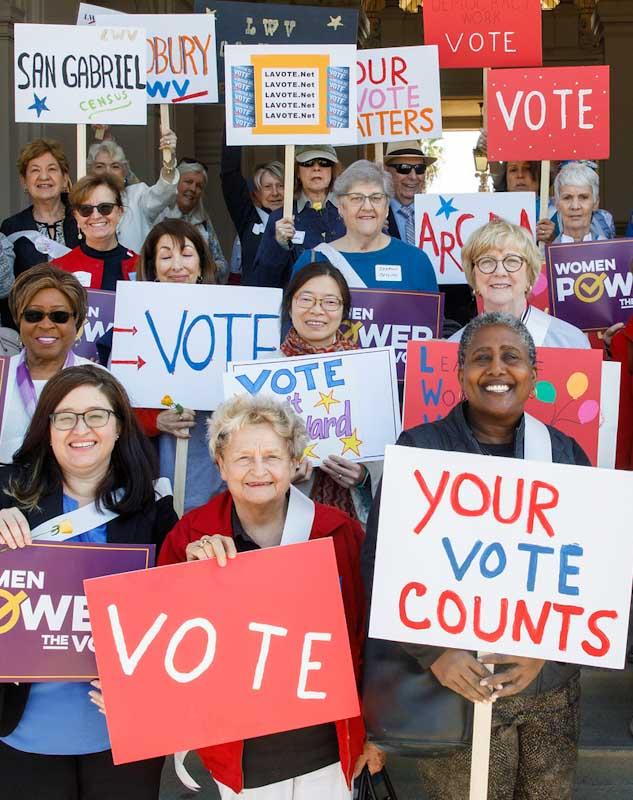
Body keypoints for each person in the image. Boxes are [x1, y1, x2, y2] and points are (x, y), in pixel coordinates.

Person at [362, 312, 591, 800]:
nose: (497, 369)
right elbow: (381, 564)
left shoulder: (566, 455)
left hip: (547, 688)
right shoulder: (420, 450)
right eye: (481, 357)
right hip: (454, 689)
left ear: (535, 371)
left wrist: (548, 651)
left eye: (512, 357)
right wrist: (435, 654)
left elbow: (593, 571)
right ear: (460, 371)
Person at [158, 394, 382, 798]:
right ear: (221, 465)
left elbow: (368, 637)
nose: (258, 470)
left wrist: (376, 731)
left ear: (295, 463)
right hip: (241, 750)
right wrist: (189, 580)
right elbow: (164, 642)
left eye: (272, 457)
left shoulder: (339, 532)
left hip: (327, 745)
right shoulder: (189, 537)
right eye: (242, 458)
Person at [0, 364, 177, 800]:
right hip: (21, 733)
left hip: (124, 736)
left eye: (96, 415)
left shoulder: (155, 509)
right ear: (48, 427)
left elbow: (185, 613)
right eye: (65, 416)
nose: (82, 428)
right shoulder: (6, 493)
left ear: (119, 427)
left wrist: (206, 548)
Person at [135, 218, 224, 512]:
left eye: (186, 254)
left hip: (211, 451)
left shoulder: (230, 313)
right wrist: (154, 420)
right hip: (157, 455)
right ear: (152, 267)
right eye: (165, 256)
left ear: (201, 264)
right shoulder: (132, 319)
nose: (177, 265)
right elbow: (117, 398)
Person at [281, 262, 381, 524]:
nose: (317, 310)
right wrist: (279, 475)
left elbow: (384, 451)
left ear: (343, 311)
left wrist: (363, 478)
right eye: (306, 299)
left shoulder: (368, 372)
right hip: (285, 522)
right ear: (290, 304)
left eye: (330, 302)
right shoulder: (262, 374)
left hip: (355, 523)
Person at [291, 160, 437, 293]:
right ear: (341, 207)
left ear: (386, 207)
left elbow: (431, 321)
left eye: (376, 198)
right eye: (356, 198)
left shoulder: (416, 261)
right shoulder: (312, 260)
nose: (367, 207)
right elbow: (292, 320)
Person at [0, 265, 95, 462]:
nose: (45, 325)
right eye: (33, 315)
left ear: (76, 321)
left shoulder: (98, 381)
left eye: (59, 316)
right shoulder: (2, 374)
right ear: (19, 319)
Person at [450, 218, 588, 349]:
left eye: (512, 261)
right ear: (473, 276)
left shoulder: (570, 342)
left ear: (529, 274)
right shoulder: (454, 348)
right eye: (487, 261)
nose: (500, 272)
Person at [1, 139, 79, 327]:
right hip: (31, 327)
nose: (44, 176)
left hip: (82, 323)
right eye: (35, 170)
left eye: (52, 169)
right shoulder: (12, 227)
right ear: (24, 181)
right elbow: (6, 290)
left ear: (64, 177)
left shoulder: (83, 219)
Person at [251, 145, 344, 288]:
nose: (316, 168)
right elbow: (262, 281)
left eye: (324, 163)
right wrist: (278, 245)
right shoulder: (281, 217)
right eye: (308, 163)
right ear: (297, 172)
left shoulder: (351, 212)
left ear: (333, 170)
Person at [86, 132, 179, 252]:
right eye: (100, 166)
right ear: (90, 171)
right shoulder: (84, 202)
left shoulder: (138, 195)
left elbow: (163, 193)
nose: (107, 172)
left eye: (115, 166)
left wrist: (169, 161)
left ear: (124, 172)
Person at [54, 174, 137, 290]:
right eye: (86, 209)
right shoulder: (58, 269)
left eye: (105, 208)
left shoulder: (141, 266)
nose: (96, 216)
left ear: (119, 212)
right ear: (76, 217)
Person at [221, 136, 284, 284]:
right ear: (256, 194)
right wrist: (231, 122)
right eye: (267, 187)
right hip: (256, 303)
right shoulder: (247, 219)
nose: (275, 192)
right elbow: (230, 173)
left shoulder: (299, 218)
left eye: (281, 185)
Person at [156, 158, 229, 282]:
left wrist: (205, 268)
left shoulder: (204, 221)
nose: (193, 189)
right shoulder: (160, 217)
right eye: (188, 182)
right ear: (176, 184)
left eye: (199, 186)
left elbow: (222, 263)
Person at [383, 140, 436, 246]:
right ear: (387, 171)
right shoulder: (374, 214)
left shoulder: (438, 213)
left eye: (419, 169)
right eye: (404, 168)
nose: (413, 176)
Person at [492, 160, 557, 245]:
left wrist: (554, 241)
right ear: (505, 177)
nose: (520, 175)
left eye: (527, 169)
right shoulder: (493, 211)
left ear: (541, 174)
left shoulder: (558, 212)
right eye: (513, 170)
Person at [553, 162, 614, 244]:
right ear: (557, 204)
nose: (575, 206)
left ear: (595, 203)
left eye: (583, 197)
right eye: (567, 198)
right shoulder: (546, 255)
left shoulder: (610, 251)